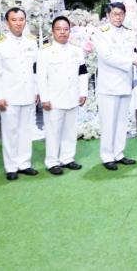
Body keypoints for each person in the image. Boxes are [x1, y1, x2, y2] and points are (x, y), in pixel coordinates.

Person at [0, 8, 39, 181]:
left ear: (25, 21)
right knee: (10, 132)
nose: (18, 23)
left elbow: (36, 69)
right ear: (7, 22)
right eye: (14, 19)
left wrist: (37, 91)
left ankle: (24, 163)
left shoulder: (31, 41)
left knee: (26, 130)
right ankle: (11, 167)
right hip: (9, 96)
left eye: (21, 19)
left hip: (28, 93)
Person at [94, 2, 137, 170]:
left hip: (125, 83)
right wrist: (131, 61)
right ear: (108, 15)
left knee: (122, 121)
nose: (118, 17)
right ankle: (107, 156)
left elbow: (133, 53)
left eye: (121, 14)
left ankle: (119, 153)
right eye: (115, 14)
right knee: (108, 122)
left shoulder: (129, 33)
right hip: (109, 85)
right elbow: (106, 56)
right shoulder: (101, 33)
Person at [37, 16, 88, 175]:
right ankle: (52, 162)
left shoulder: (76, 51)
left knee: (70, 131)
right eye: (58, 29)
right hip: (54, 99)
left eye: (66, 29)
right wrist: (44, 98)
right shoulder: (45, 52)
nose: (62, 32)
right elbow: (40, 77)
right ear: (53, 31)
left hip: (72, 97)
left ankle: (67, 158)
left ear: (69, 31)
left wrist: (83, 92)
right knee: (53, 132)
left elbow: (83, 73)